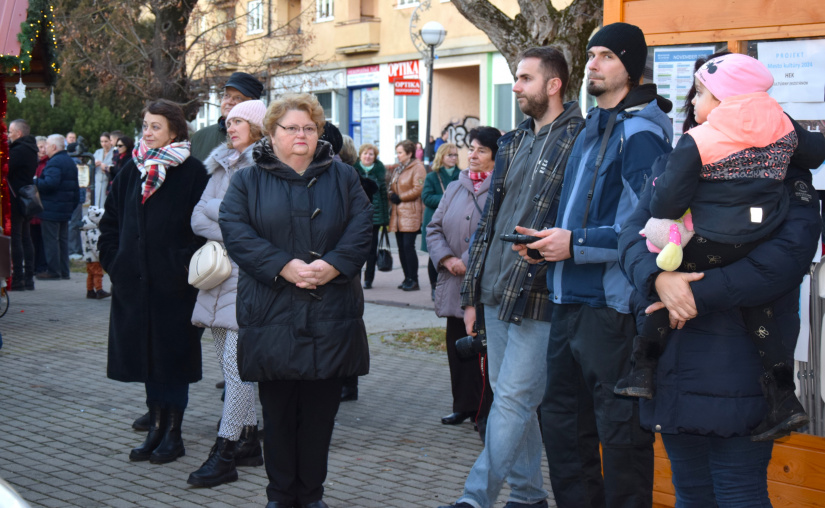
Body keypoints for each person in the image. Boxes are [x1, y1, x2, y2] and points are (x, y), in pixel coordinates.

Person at [613, 53, 825, 442]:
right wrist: (657, 279)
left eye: (702, 93)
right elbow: (631, 233)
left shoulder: (788, 175)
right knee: (690, 493)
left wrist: (687, 292)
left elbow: (785, 260)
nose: (693, 101)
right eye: (694, 93)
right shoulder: (675, 158)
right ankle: (643, 367)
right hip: (675, 374)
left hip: (739, 374)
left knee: (737, 493)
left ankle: (781, 399)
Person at [514, 23, 673, 508]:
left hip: (612, 307)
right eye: (591, 54)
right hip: (565, 297)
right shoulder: (590, 127)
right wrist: (547, 243)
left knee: (620, 437)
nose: (593, 64)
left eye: (606, 55)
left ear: (631, 65)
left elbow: (645, 227)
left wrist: (574, 243)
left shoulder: (642, 132)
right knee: (562, 426)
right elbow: (575, 213)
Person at [440, 46, 585, 508]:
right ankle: (527, 496)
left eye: (524, 78)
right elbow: (489, 222)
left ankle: (475, 499)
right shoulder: (513, 140)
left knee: (515, 400)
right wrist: (471, 295)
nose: (516, 86)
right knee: (509, 399)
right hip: (494, 289)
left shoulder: (580, 138)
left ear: (554, 84)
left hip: (541, 291)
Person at [219, 92, 372, 508]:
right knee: (280, 415)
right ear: (272, 132)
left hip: (331, 312)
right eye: (291, 127)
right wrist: (282, 265)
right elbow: (235, 230)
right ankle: (281, 495)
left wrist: (335, 265)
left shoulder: (343, 177)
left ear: (319, 132)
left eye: (309, 127)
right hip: (272, 311)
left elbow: (363, 226)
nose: (301, 135)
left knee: (320, 418)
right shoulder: (248, 179)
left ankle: (312, 495)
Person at [99, 99, 209, 465]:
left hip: (174, 287)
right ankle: (155, 428)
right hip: (134, 284)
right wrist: (116, 262)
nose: (147, 132)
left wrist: (180, 265)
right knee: (146, 358)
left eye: (155, 126)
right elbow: (111, 223)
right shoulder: (132, 170)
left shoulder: (194, 172)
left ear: (175, 130)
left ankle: (173, 434)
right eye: (145, 125)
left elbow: (203, 228)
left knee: (173, 360)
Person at [187, 100, 267, 488]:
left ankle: (225, 452)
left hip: (248, 279)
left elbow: (258, 222)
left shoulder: (263, 167)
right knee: (228, 367)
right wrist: (232, 218)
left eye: (237, 120)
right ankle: (250, 443)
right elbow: (197, 216)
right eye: (227, 120)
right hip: (217, 275)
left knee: (238, 374)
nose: (228, 126)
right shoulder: (219, 164)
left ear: (256, 126)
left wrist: (227, 216)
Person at [426, 128, 499, 431]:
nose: (473, 155)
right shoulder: (456, 186)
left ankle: (486, 411)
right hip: (455, 282)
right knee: (457, 347)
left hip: (484, 285)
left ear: (496, 155)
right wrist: (447, 259)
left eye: (481, 150)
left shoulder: (501, 189)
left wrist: (466, 262)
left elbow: (493, 234)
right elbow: (434, 227)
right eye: (471, 148)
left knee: (484, 349)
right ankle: (463, 406)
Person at [35, 134, 80, 281]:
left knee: (51, 240)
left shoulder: (54, 162)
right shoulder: (69, 161)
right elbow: (74, 187)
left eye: (46, 145)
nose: (45, 148)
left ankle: (54, 271)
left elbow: (50, 184)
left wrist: (35, 182)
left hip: (51, 207)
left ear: (54, 147)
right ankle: (64, 271)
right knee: (62, 240)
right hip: (64, 207)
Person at [191, 72, 264, 161]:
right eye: (226, 95)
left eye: (238, 98)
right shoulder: (199, 138)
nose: (229, 101)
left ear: (253, 104)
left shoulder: (268, 141)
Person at [422, 143, 461, 300]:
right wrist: (447, 198)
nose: (453, 158)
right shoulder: (432, 176)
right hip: (436, 220)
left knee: (453, 253)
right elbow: (426, 197)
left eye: (455, 155)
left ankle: (452, 288)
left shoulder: (462, 174)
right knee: (435, 255)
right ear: (441, 157)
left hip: (455, 220)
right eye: (450, 155)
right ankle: (434, 287)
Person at [389, 139, 426, 291]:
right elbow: (392, 185)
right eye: (397, 152)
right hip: (398, 214)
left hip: (410, 212)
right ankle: (407, 278)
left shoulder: (417, 167)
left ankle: (414, 279)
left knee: (408, 247)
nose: (397, 155)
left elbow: (418, 188)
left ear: (409, 153)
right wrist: (391, 194)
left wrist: (401, 197)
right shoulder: (399, 168)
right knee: (401, 249)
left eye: (400, 152)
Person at [7, 119, 39, 290]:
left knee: (17, 238)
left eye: (10, 131)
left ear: (18, 133)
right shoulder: (30, 149)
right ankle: (28, 278)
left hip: (16, 198)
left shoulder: (19, 150)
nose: (8, 134)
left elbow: (6, 167)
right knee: (25, 238)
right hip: (25, 197)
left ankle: (19, 278)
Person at [354, 143, 389, 291]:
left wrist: (385, 218)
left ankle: (368, 279)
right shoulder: (353, 171)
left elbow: (383, 196)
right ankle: (356, 279)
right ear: (360, 155)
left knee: (371, 250)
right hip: (356, 217)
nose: (368, 157)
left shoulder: (380, 173)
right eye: (365, 154)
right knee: (355, 249)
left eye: (371, 154)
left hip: (374, 217)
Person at [80, 206, 109, 299]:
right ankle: (99, 290)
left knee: (91, 273)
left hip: (88, 256)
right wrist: (100, 255)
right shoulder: (93, 231)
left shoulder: (86, 228)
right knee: (98, 273)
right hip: (94, 257)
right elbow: (95, 245)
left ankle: (90, 291)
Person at [31, 136, 49, 276]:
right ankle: (33, 265)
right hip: (32, 208)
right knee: (33, 238)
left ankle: (42, 265)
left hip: (43, 206)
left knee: (42, 240)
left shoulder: (48, 164)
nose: (42, 150)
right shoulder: (33, 162)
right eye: (40, 147)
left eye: (44, 147)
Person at [93, 132, 114, 208]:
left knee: (106, 204)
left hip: (108, 182)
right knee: (96, 203)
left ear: (110, 141)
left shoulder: (114, 152)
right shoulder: (97, 152)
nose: (104, 144)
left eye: (106, 141)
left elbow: (116, 167)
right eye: (102, 141)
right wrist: (93, 165)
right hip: (97, 182)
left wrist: (106, 167)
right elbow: (89, 166)